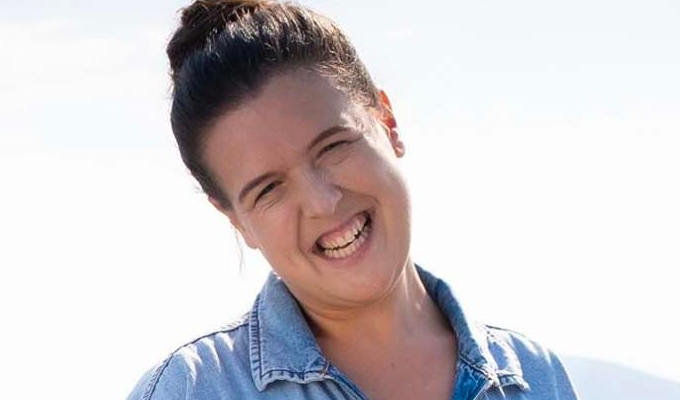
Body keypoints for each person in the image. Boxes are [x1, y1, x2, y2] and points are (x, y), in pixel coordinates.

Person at [127, 1, 580, 399]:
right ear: (235, 218)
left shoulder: (535, 378)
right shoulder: (193, 390)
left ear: (387, 121)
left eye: (333, 147)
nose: (322, 202)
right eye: (268, 189)